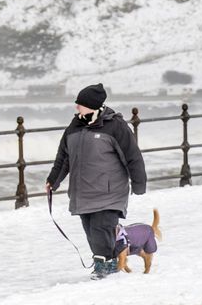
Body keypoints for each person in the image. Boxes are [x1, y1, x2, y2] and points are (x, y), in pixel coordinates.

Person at [44, 83, 147, 280]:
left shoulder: (115, 126)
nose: (76, 108)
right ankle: (108, 259)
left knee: (102, 227)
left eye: (80, 104)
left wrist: (139, 183)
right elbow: (63, 158)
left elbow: (132, 155)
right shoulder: (74, 127)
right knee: (91, 230)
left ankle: (105, 266)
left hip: (110, 191)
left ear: (91, 105)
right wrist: (53, 181)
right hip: (83, 192)